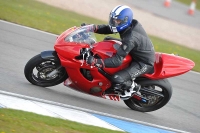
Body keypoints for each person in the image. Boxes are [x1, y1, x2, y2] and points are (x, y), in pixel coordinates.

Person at [84, 5, 155, 100]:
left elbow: (117, 61)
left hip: (143, 62)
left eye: (117, 21)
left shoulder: (131, 38)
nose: (114, 22)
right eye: (113, 20)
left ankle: (133, 88)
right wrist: (92, 28)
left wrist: (96, 62)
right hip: (134, 51)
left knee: (117, 78)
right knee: (107, 40)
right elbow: (109, 28)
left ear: (125, 21)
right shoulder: (128, 25)